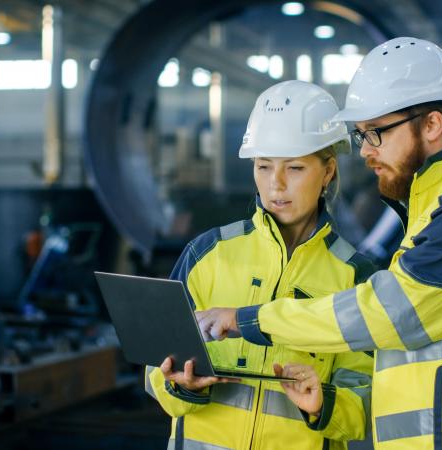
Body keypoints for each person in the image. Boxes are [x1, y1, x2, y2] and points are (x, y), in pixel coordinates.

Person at [197, 37, 442, 450]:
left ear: (432, 125)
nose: (366, 152)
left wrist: (252, 320)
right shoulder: (435, 205)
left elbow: (391, 313)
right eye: (361, 135)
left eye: (376, 133)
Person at [144, 80, 378, 450]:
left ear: (328, 172)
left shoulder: (355, 277)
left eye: (296, 168)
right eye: (264, 166)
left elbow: (366, 402)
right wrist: (177, 384)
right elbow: (156, 367)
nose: (276, 184)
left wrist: (322, 405)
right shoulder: (207, 254)